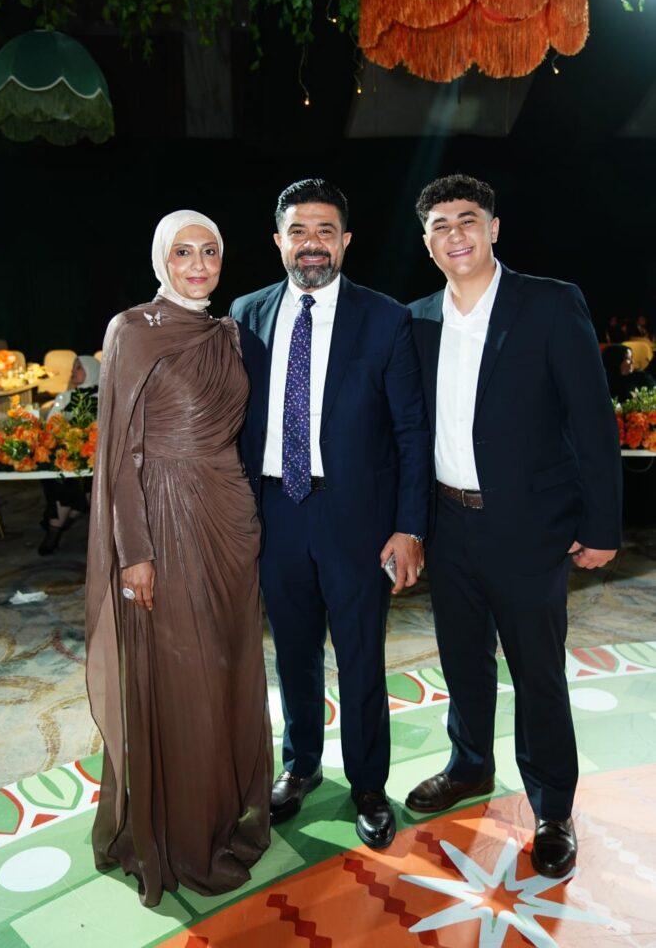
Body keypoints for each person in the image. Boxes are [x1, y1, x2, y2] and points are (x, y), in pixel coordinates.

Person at [407, 175, 622, 879]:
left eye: (467, 219)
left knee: (537, 672)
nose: (456, 234)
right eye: (440, 225)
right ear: (426, 243)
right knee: (462, 660)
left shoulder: (549, 304)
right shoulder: (416, 320)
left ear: (493, 228)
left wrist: (601, 524)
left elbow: (591, 420)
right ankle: (469, 764)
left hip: (530, 526)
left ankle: (553, 807)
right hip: (447, 523)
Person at [230, 179, 429, 851]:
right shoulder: (246, 313)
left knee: (361, 655)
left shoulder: (385, 318)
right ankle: (301, 765)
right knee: (291, 652)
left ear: (344, 241)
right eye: (298, 231)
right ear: (278, 240)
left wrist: (409, 526)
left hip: (357, 520)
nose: (311, 243)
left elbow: (410, 432)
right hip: (274, 513)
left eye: (324, 231)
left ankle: (368, 785)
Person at [85, 210, 272, 907]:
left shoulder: (229, 334)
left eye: (210, 251)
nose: (198, 265)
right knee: (181, 675)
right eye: (183, 252)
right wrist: (134, 551)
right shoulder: (133, 329)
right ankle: (180, 836)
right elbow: (118, 453)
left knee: (226, 670)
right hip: (163, 522)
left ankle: (221, 815)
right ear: (161, 258)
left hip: (230, 518)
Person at [38, 354, 101, 555]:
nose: (73, 371)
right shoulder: (64, 397)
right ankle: (67, 516)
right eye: (74, 367)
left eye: (79, 367)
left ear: (92, 371)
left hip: (94, 457)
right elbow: (51, 426)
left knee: (76, 478)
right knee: (60, 475)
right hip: (67, 455)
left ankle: (56, 525)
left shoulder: (104, 398)